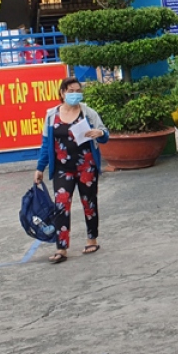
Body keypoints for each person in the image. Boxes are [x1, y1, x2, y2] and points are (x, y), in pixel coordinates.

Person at [34, 78, 109, 264]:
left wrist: (100, 134)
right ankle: (61, 247)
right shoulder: (51, 115)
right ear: (62, 93)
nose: (75, 93)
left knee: (89, 203)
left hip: (86, 166)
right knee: (61, 206)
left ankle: (92, 238)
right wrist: (40, 168)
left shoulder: (88, 113)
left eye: (78, 90)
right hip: (62, 168)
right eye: (71, 90)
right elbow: (46, 144)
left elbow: (104, 134)